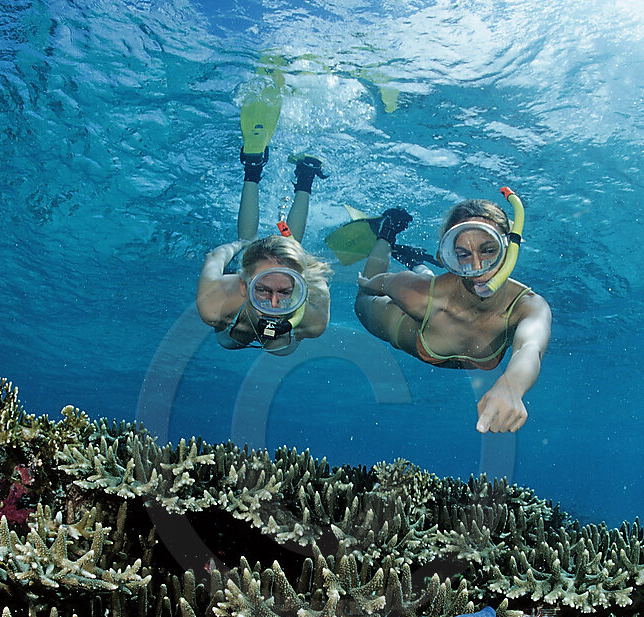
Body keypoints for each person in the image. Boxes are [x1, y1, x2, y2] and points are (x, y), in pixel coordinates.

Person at [352, 189, 551, 433]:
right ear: (448, 256)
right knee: (360, 300)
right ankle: (387, 233)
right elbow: (379, 283)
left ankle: (417, 262)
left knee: (427, 282)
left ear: (509, 249)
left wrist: (512, 385)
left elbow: (530, 348)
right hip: (409, 326)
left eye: (489, 250)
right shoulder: (420, 295)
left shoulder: (528, 306)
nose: (478, 268)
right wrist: (364, 283)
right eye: (462, 255)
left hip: (437, 294)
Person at [196, 145, 331, 356]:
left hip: (286, 304)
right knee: (253, 241)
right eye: (262, 290)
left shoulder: (314, 321)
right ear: (244, 285)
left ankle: (302, 175)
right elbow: (214, 257)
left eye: (285, 292)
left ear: (298, 288)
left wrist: (300, 257)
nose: (274, 305)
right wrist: (238, 245)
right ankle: (256, 168)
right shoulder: (215, 304)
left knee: (294, 247)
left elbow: (316, 274)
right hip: (239, 304)